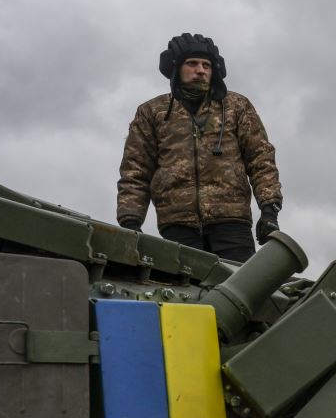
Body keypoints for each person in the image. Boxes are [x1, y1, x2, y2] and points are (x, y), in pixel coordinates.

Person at [116, 33, 283, 263]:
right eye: (192, 63)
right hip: (177, 225)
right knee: (186, 293)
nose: (201, 70)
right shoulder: (152, 112)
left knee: (240, 291)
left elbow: (261, 159)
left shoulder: (236, 107)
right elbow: (136, 169)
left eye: (206, 65)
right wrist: (131, 222)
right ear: (177, 68)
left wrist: (269, 210)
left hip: (231, 222)